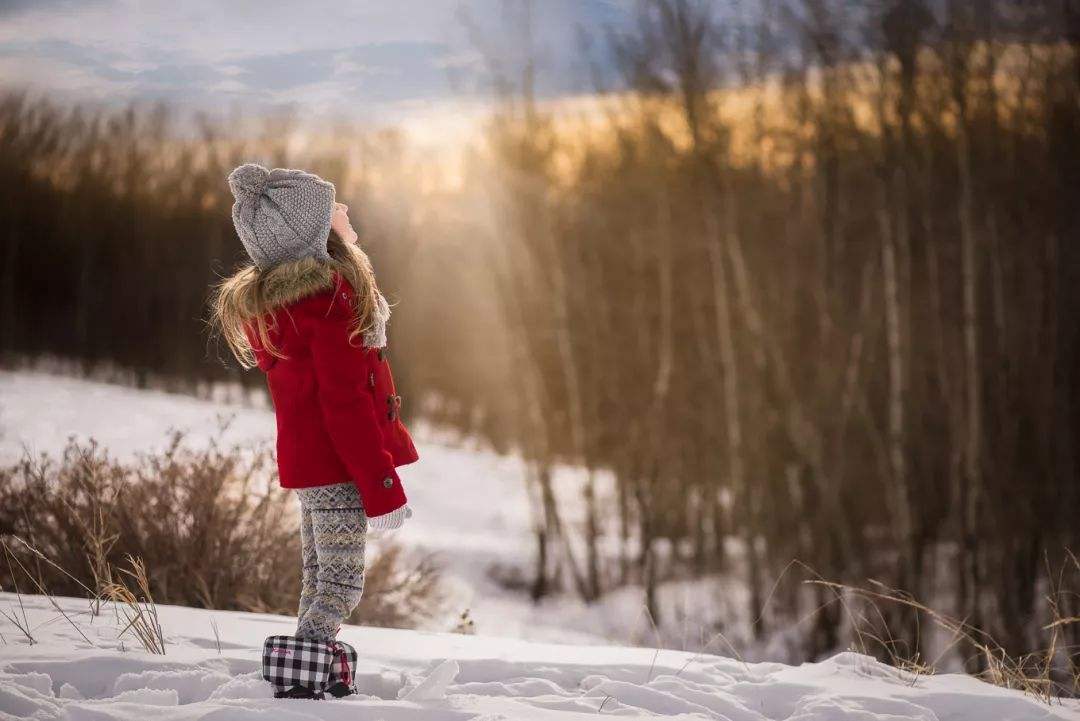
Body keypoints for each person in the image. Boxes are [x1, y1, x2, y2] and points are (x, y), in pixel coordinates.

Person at [210, 162, 418, 649]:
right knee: (341, 586)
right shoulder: (327, 303)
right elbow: (344, 406)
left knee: (319, 579)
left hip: (314, 467)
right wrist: (383, 486)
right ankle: (299, 671)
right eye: (332, 206)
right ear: (315, 231)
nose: (343, 208)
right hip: (337, 465)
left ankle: (308, 673)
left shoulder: (299, 303)